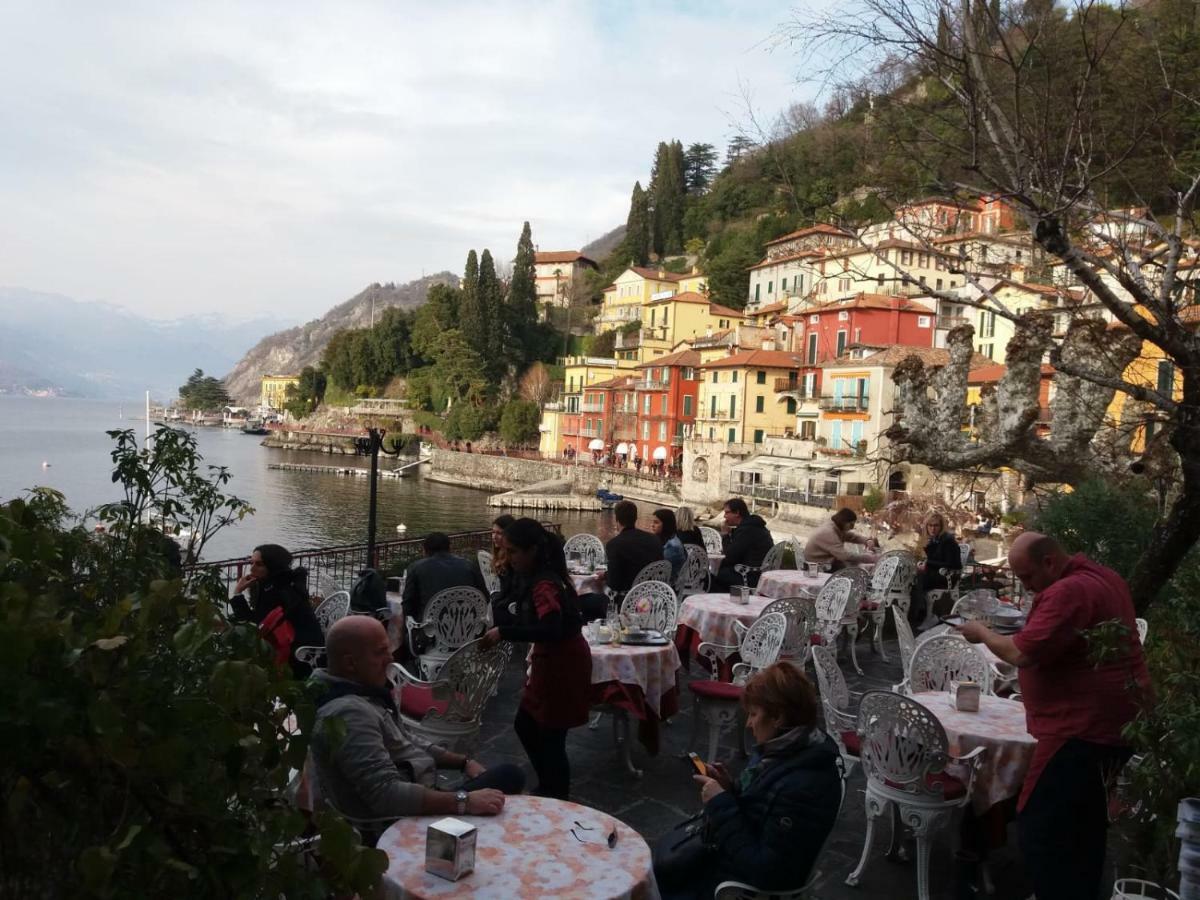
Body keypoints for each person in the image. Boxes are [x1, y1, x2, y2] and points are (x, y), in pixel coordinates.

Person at [958, 533, 1150, 900]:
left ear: (1049, 561)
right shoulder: (1104, 577)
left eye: (1028, 577)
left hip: (1083, 728)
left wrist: (981, 632)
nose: (1027, 588)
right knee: (1083, 823)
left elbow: (1022, 654)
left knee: (1041, 827)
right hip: (1117, 723)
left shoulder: (1069, 591)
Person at [310, 616, 525, 842]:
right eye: (380, 652)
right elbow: (386, 795)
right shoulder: (349, 713)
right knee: (509, 781)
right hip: (399, 826)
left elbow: (407, 739)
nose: (390, 658)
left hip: (419, 793)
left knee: (508, 777)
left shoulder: (360, 693)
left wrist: (463, 762)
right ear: (350, 663)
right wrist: (464, 801)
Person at [655, 662, 842, 898]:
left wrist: (721, 804)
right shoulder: (787, 749)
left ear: (778, 717)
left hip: (734, 887)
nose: (748, 723)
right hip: (727, 863)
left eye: (754, 714)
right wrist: (730, 789)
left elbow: (764, 870)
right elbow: (761, 810)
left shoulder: (803, 786)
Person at [481, 519, 591, 800]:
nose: (509, 558)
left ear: (532, 551)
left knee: (551, 735)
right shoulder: (547, 577)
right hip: (556, 658)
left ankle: (556, 794)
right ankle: (549, 786)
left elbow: (550, 627)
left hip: (561, 663)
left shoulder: (544, 584)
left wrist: (504, 632)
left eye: (514, 551)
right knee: (529, 725)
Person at [231, 544, 324, 679]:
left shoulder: (276, 592)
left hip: (295, 660)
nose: (252, 568)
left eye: (259, 564)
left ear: (272, 566)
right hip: (303, 652)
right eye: (251, 563)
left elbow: (255, 627)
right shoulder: (283, 584)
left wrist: (237, 594)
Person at [401, 532, 488, 623]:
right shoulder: (469, 566)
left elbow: (407, 606)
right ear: (450, 548)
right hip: (468, 629)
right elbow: (484, 597)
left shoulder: (416, 568)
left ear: (425, 550)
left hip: (430, 631)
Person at [600, 500, 664, 595]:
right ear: (635, 518)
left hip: (628, 598)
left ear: (616, 520)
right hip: (653, 595)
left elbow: (614, 584)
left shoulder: (614, 544)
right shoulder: (654, 539)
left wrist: (605, 575)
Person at [912, 511, 962, 624]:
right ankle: (919, 612)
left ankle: (924, 614)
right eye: (930, 525)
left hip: (948, 576)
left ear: (941, 526)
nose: (933, 529)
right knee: (912, 577)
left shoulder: (948, 540)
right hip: (935, 573)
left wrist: (927, 563)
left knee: (918, 578)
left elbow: (952, 564)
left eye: (936, 525)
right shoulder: (934, 539)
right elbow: (932, 558)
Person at [713, 498, 774, 590]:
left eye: (727, 513)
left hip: (749, 576)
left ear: (737, 513)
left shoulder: (746, 531)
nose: (724, 516)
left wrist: (725, 535)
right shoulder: (756, 526)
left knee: (714, 575)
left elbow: (730, 557)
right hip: (761, 574)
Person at [802, 508, 878, 572]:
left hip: (824, 561)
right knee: (854, 568)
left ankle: (863, 567)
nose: (852, 527)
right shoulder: (829, 532)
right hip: (817, 567)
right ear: (843, 521)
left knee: (853, 563)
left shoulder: (834, 527)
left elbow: (851, 536)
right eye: (851, 524)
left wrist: (867, 540)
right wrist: (868, 558)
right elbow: (844, 556)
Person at [652, 508, 687, 581]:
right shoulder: (664, 538)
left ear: (666, 524)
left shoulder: (673, 546)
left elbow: (659, 567)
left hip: (668, 585)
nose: (652, 525)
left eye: (656, 522)